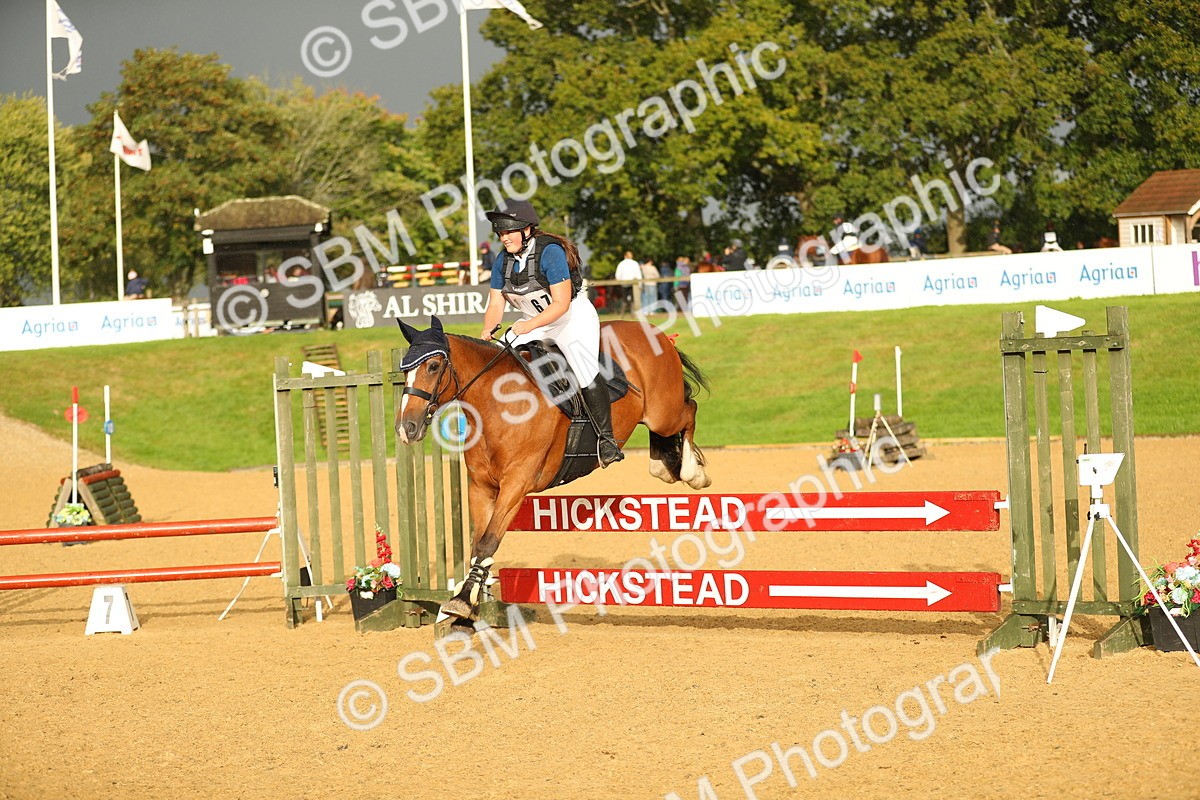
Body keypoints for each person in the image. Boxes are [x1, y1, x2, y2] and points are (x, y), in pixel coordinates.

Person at [480, 198, 623, 466]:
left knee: (584, 369)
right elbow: (496, 302)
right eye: (500, 232)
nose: (504, 237)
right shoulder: (502, 260)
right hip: (533, 320)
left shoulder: (550, 252)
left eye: (508, 231)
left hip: (571, 318)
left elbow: (561, 305)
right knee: (496, 358)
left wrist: (529, 326)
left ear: (526, 230)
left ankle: (607, 440)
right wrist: (489, 327)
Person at [614, 250, 642, 314]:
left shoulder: (621, 263)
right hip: (633, 284)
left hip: (624, 283)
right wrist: (640, 284)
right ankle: (632, 313)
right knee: (633, 298)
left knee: (624, 299)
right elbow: (638, 275)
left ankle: (622, 313)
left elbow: (617, 275)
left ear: (625, 256)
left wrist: (620, 282)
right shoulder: (635, 263)